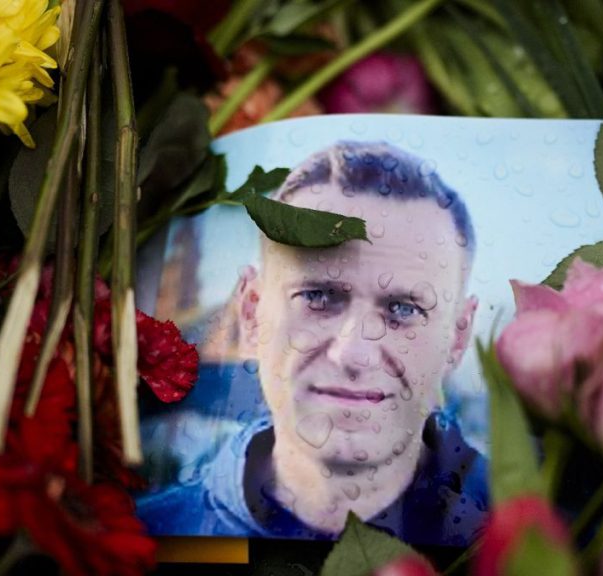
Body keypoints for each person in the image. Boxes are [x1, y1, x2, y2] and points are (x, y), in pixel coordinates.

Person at [137, 141, 488, 546]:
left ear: (458, 336)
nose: (353, 354)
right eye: (318, 297)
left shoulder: (546, 545)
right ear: (252, 313)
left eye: (404, 309)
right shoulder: (145, 542)